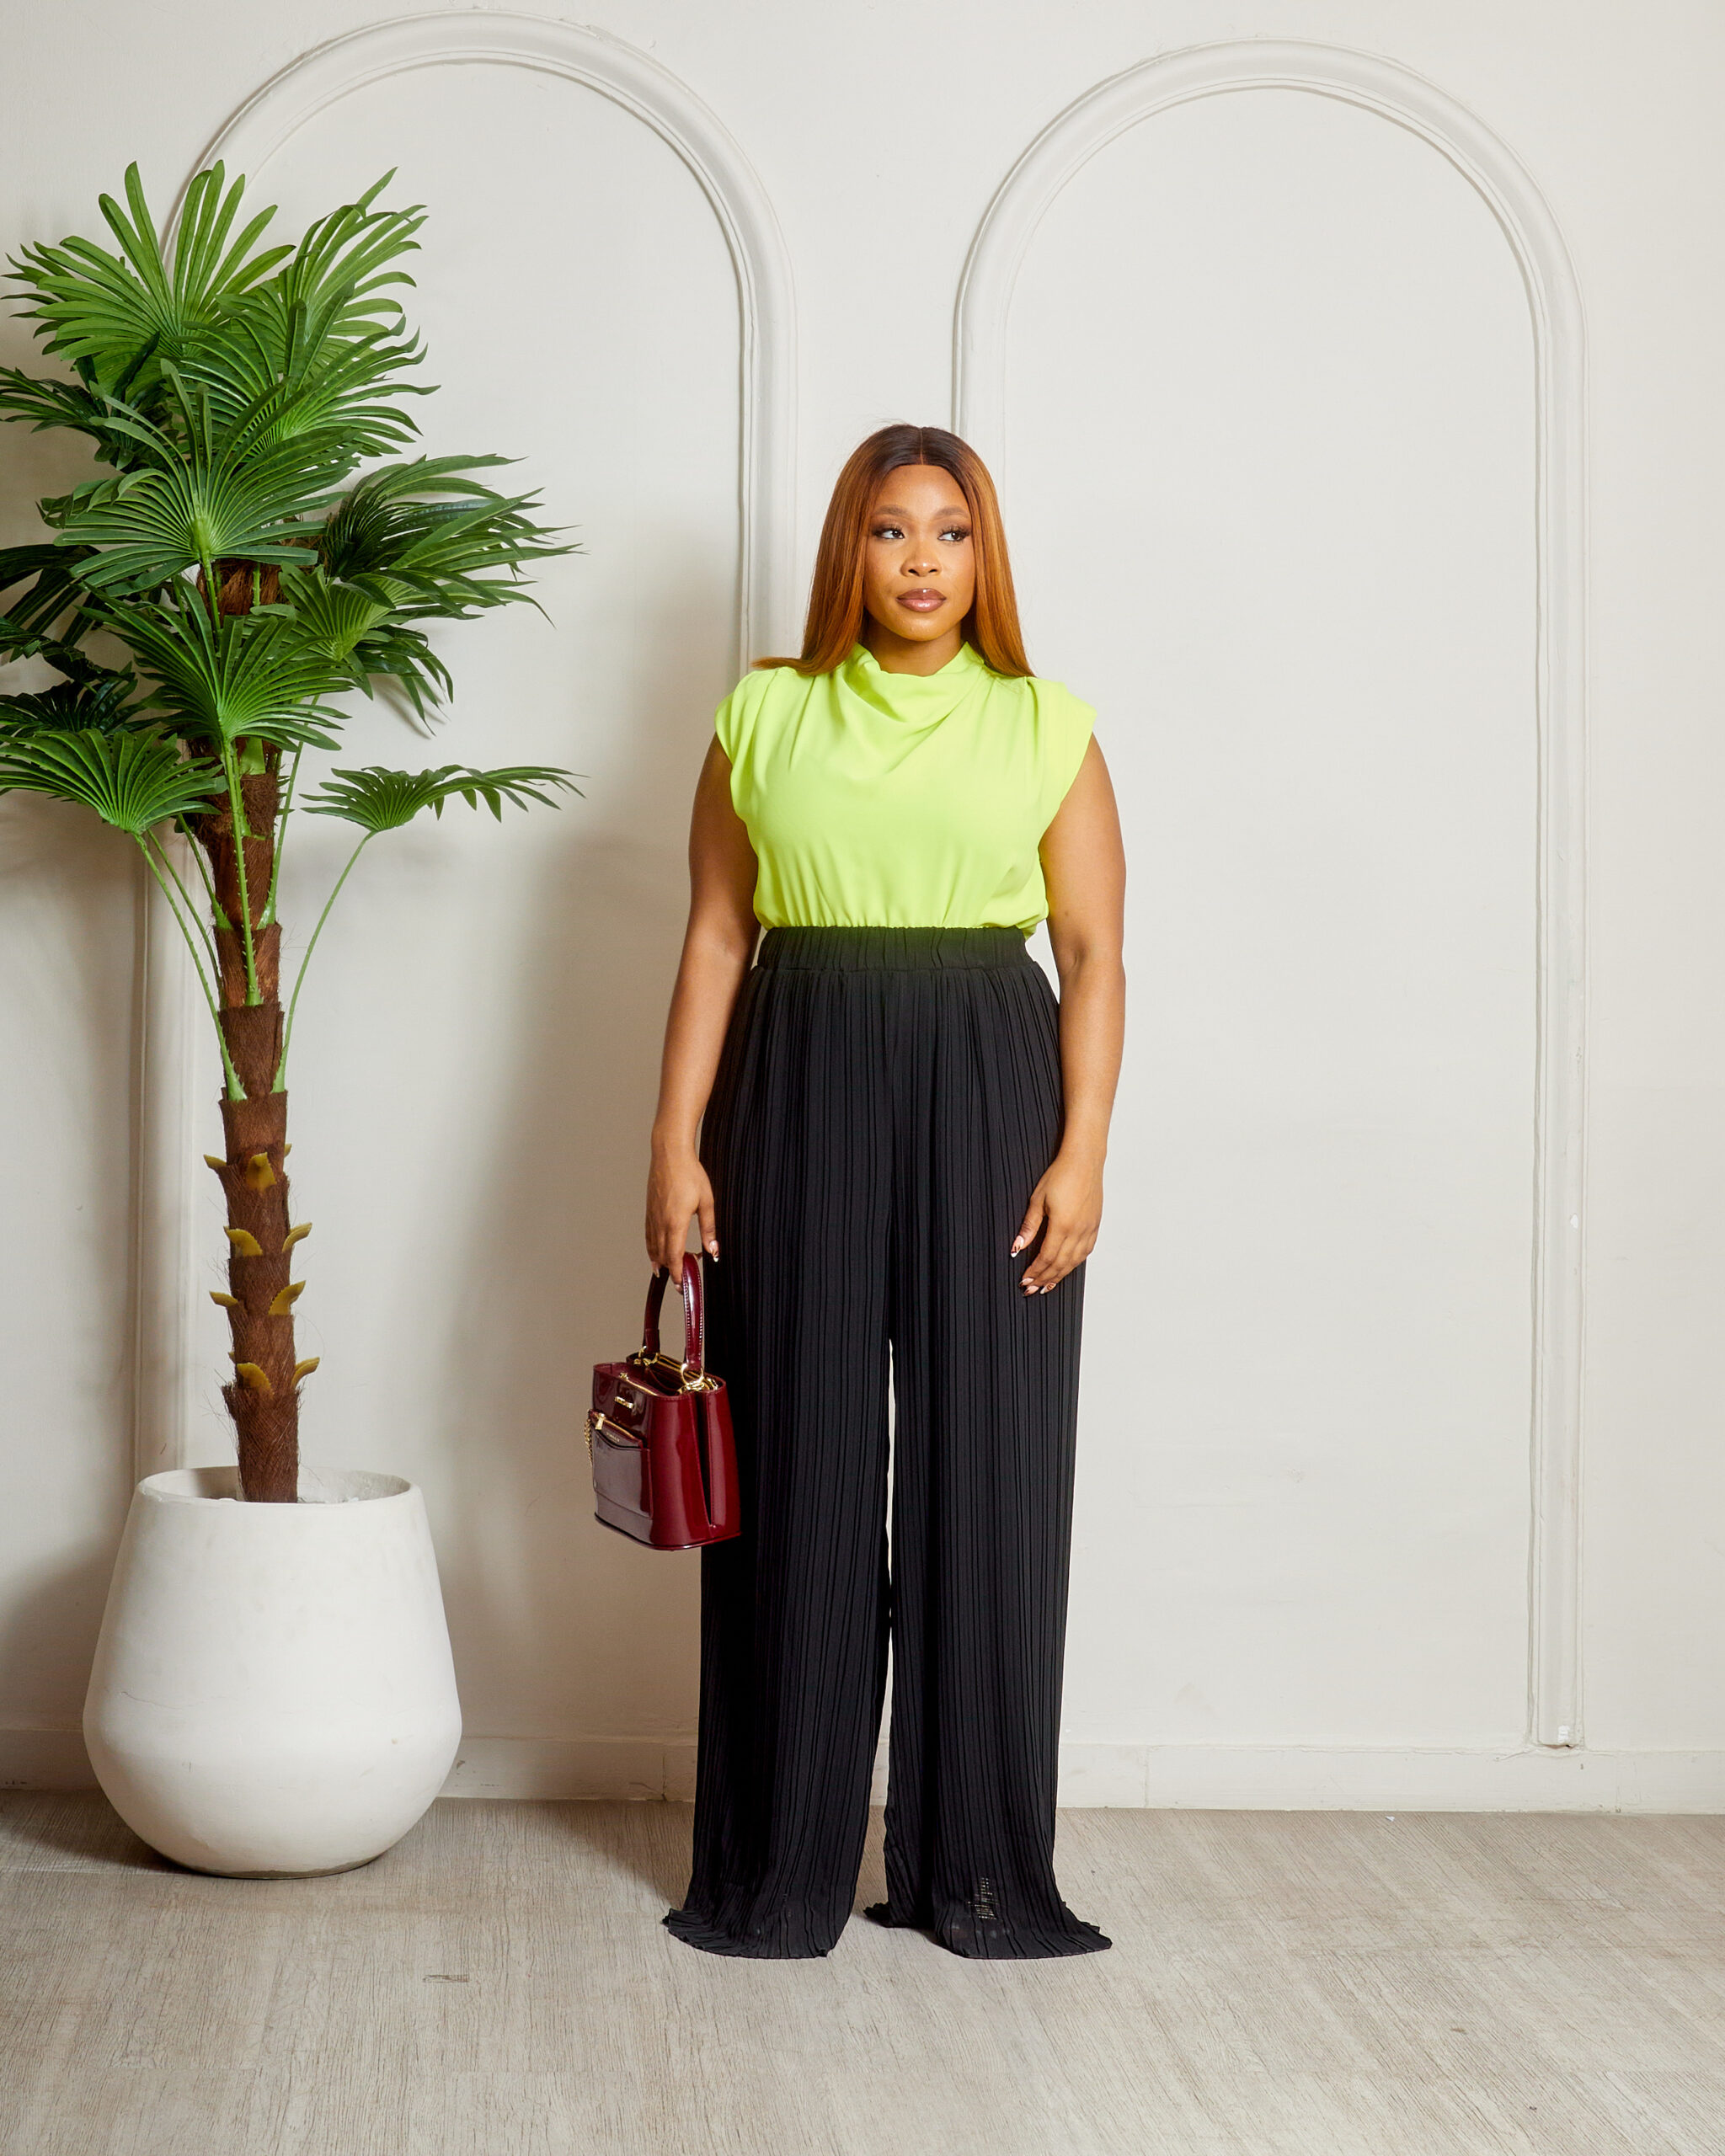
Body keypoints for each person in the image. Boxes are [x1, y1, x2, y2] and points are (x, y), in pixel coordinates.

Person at [644, 422, 1127, 1958]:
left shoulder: (1047, 724)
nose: (924, 561)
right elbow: (717, 936)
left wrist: (1084, 1149)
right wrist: (673, 1142)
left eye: (953, 533)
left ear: (987, 558)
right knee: (800, 1469)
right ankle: (779, 1870)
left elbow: (1095, 955)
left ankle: (976, 1869)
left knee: (991, 1474)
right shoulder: (763, 715)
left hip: (994, 1087)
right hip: (798, 1079)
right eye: (893, 530)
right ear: (849, 549)